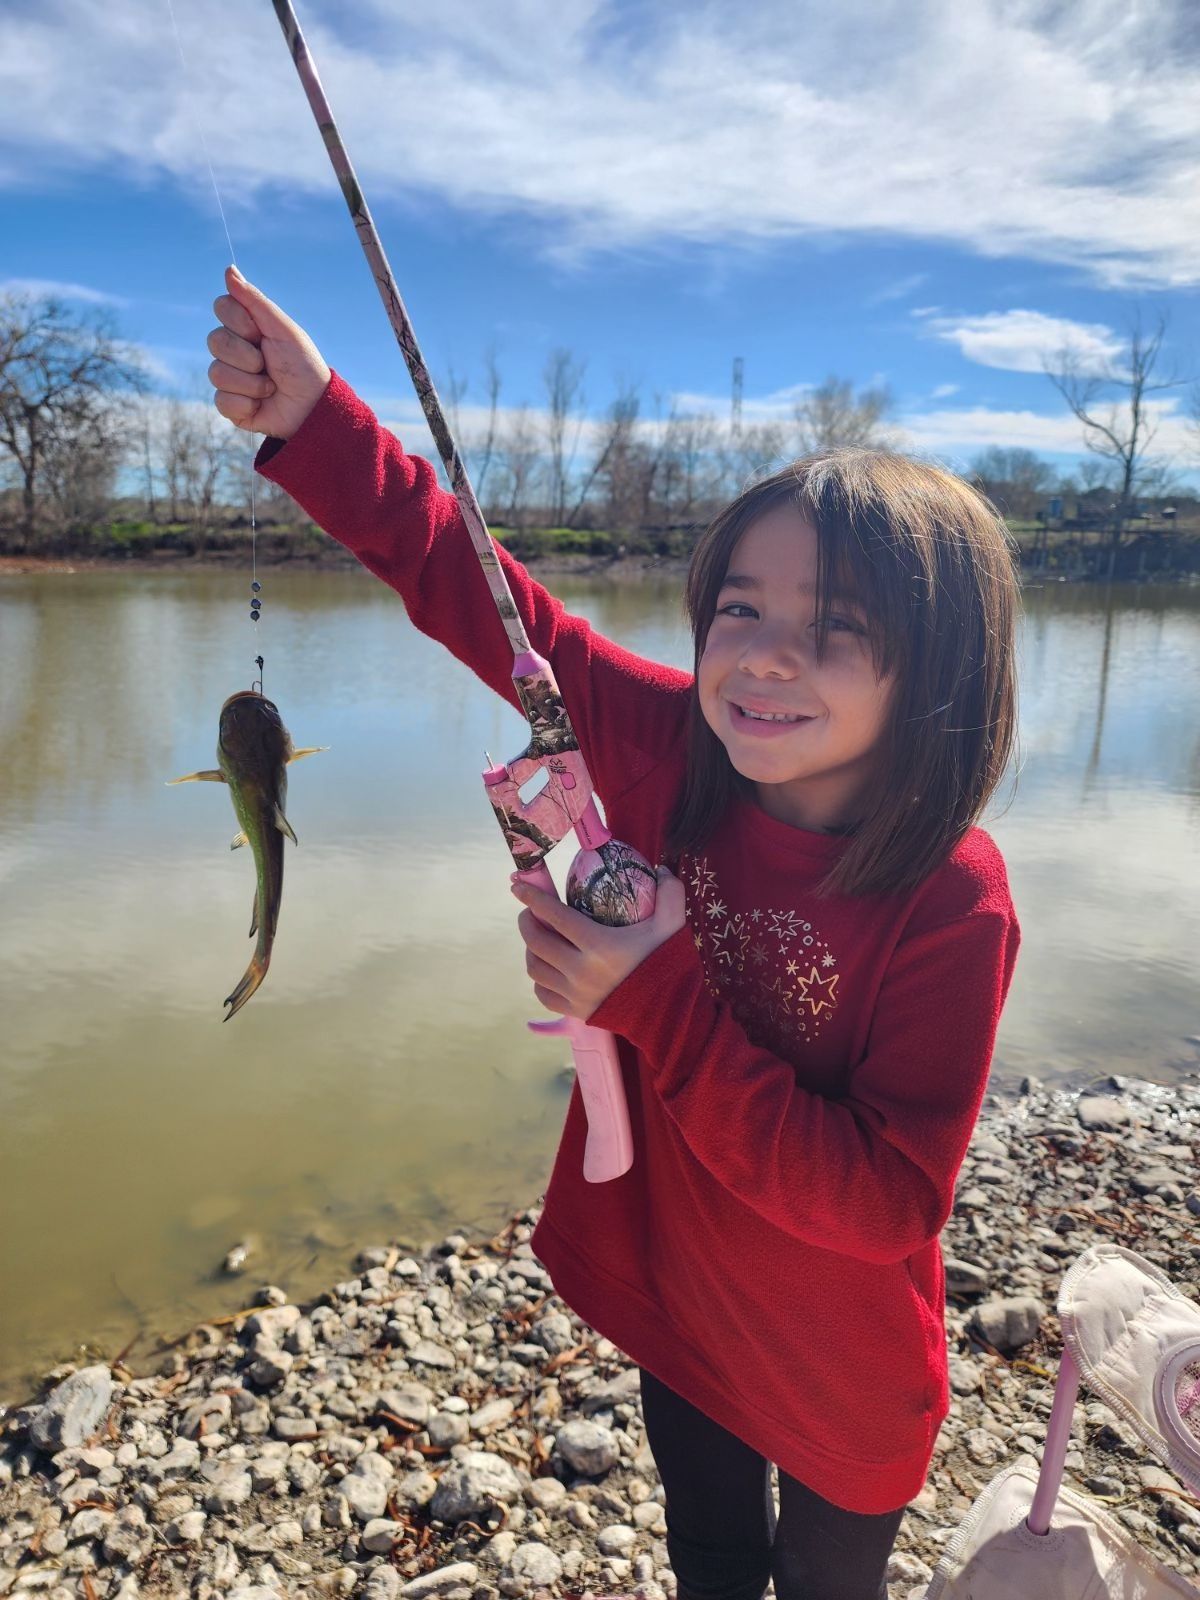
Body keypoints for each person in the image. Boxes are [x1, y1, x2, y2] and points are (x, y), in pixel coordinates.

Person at [206, 264, 1022, 1600]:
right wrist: (318, 421)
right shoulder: (672, 746)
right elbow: (491, 602)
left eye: (833, 630)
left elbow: (888, 1200)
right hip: (684, 1307)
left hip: (842, 1371)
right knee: (706, 1560)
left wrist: (655, 996)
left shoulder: (952, 895)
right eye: (740, 609)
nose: (760, 655)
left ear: (940, 674)